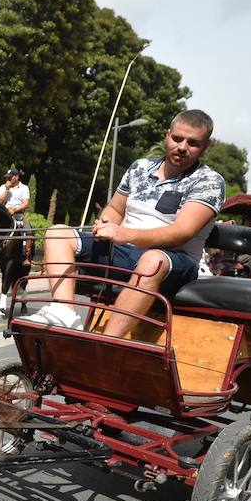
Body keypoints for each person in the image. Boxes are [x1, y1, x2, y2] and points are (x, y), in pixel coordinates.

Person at [19, 109, 225, 338]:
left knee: (152, 260)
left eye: (193, 143)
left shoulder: (209, 181)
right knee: (57, 233)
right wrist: (106, 222)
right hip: (126, 252)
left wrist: (124, 234)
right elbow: (116, 209)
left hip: (174, 261)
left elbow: (181, 232)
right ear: (167, 135)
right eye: (177, 138)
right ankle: (64, 314)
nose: (182, 147)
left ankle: (106, 342)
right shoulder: (139, 168)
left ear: (205, 146)